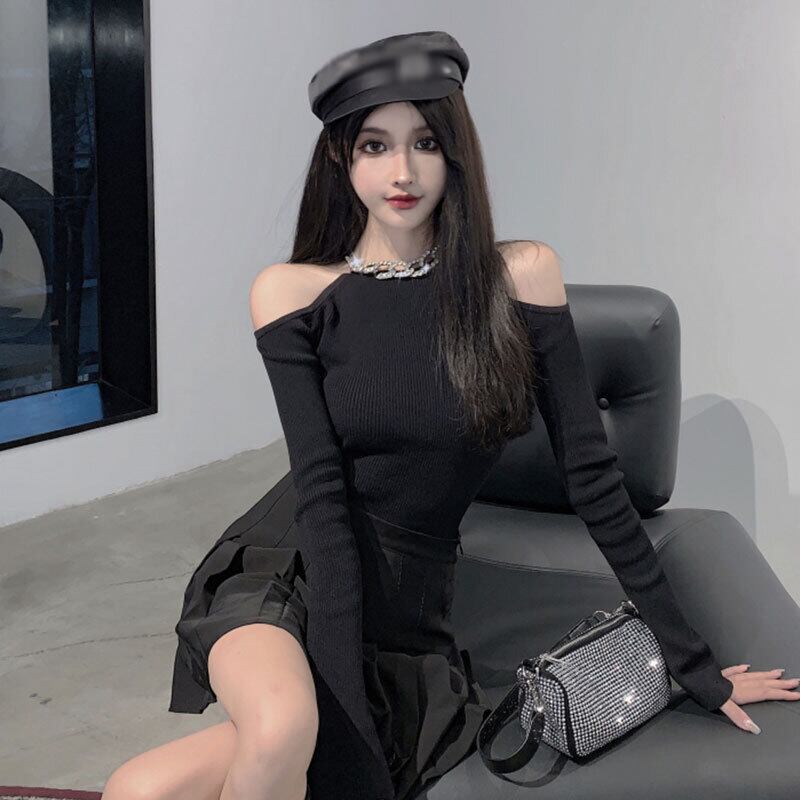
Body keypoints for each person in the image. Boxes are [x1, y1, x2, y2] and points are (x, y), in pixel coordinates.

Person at [101, 30, 799, 800]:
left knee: (144, 790)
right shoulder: (292, 292)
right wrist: (342, 708)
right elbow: (323, 501)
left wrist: (694, 666)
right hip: (292, 567)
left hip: (409, 611)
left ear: (455, 152)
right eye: (374, 145)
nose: (402, 172)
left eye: (425, 143)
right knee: (284, 729)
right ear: (340, 158)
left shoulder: (520, 277)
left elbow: (595, 480)